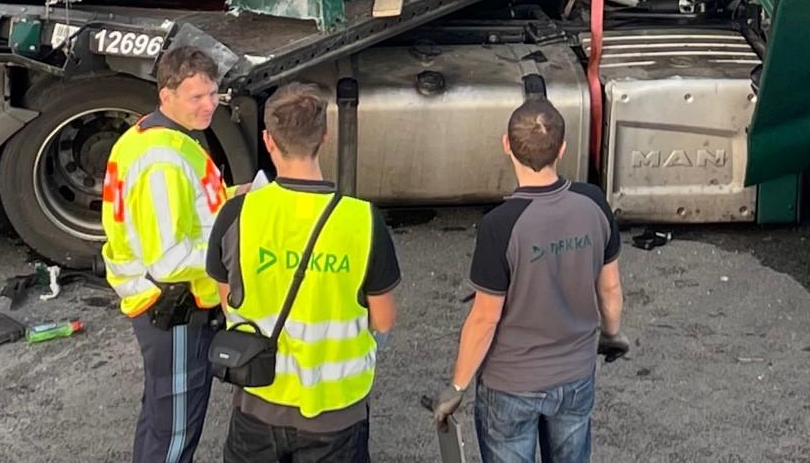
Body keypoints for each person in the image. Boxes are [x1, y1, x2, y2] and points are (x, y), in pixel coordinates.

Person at [207, 82, 399, 463]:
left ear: (267, 140)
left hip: (257, 399)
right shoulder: (361, 220)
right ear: (324, 136)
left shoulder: (237, 213)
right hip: (336, 413)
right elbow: (384, 318)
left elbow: (227, 298)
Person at [432, 100, 626, 463]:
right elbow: (610, 287)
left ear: (506, 144)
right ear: (563, 148)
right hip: (575, 376)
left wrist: (457, 385)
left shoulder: (500, 225)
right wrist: (612, 334)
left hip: (511, 386)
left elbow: (485, 319)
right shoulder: (594, 203)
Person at [104, 47, 231, 463]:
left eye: (213, 94)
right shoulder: (164, 160)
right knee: (175, 433)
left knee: (160, 420)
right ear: (166, 96)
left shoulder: (149, 137)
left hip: (164, 308)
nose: (209, 105)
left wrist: (233, 197)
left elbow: (189, 210)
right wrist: (232, 250)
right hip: (175, 309)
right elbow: (171, 260)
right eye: (197, 97)